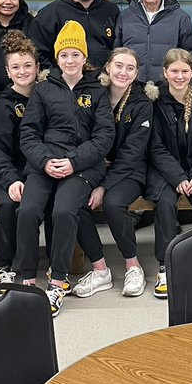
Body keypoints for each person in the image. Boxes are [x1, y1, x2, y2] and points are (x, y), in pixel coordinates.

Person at [15, 21, 115, 317]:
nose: (70, 61)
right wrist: (45, 160)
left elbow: (104, 137)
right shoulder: (44, 90)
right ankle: (28, 279)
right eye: (64, 55)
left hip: (83, 166)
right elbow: (29, 134)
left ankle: (57, 282)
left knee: (63, 212)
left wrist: (73, 161)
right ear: (56, 59)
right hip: (45, 163)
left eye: (75, 55)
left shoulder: (97, 92)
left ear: (85, 58)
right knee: (29, 211)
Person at [72, 48, 154, 299]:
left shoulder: (142, 103)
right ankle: (100, 270)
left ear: (137, 73)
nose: (123, 72)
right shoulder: (93, 94)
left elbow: (132, 153)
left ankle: (133, 265)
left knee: (113, 203)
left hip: (129, 171)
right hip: (93, 166)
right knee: (73, 202)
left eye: (130, 68)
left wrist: (104, 185)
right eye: (118, 65)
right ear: (107, 67)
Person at [145, 48, 192, 299]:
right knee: (165, 203)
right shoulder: (153, 101)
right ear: (164, 72)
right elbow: (154, 147)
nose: (179, 76)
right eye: (174, 71)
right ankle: (166, 266)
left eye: (184, 71)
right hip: (165, 171)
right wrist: (178, 178)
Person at [0, 31, 43, 286]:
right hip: (11, 171)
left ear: (37, 67)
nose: (22, 71)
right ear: (8, 71)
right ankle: (6, 264)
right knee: (9, 205)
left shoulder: (47, 96)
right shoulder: (4, 104)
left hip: (40, 169)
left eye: (27, 65)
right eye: (16, 67)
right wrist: (10, 180)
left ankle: (52, 261)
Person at [32, 0, 119, 69]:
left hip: (103, 83)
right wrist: (57, 78)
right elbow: (38, 53)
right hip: (66, 84)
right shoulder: (51, 13)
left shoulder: (111, 11)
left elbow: (119, 52)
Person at [115, 0, 192, 82]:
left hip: (168, 89)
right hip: (132, 88)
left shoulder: (180, 18)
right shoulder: (125, 16)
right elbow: (116, 55)